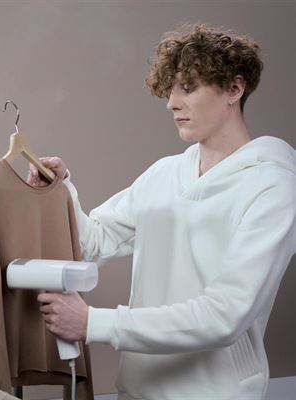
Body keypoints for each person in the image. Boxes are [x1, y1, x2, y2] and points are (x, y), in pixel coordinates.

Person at [28, 24, 296, 400]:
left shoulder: (273, 187)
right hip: (137, 389)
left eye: (188, 87)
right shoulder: (164, 174)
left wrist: (93, 323)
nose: (171, 102)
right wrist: (61, 192)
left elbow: (225, 315)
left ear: (234, 89)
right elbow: (94, 243)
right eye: (170, 89)